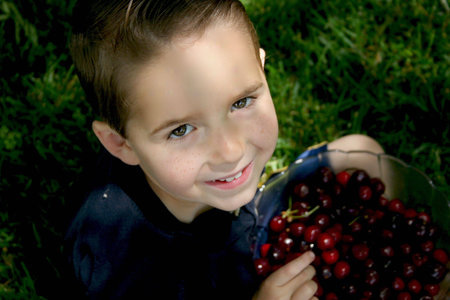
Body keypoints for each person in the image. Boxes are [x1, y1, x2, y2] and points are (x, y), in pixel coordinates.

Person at [64, 0, 383, 299]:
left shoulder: (203, 176)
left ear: (261, 67)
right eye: (181, 130)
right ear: (120, 143)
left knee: (360, 151)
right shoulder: (125, 262)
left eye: (240, 102)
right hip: (199, 273)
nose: (230, 151)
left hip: (229, 218)